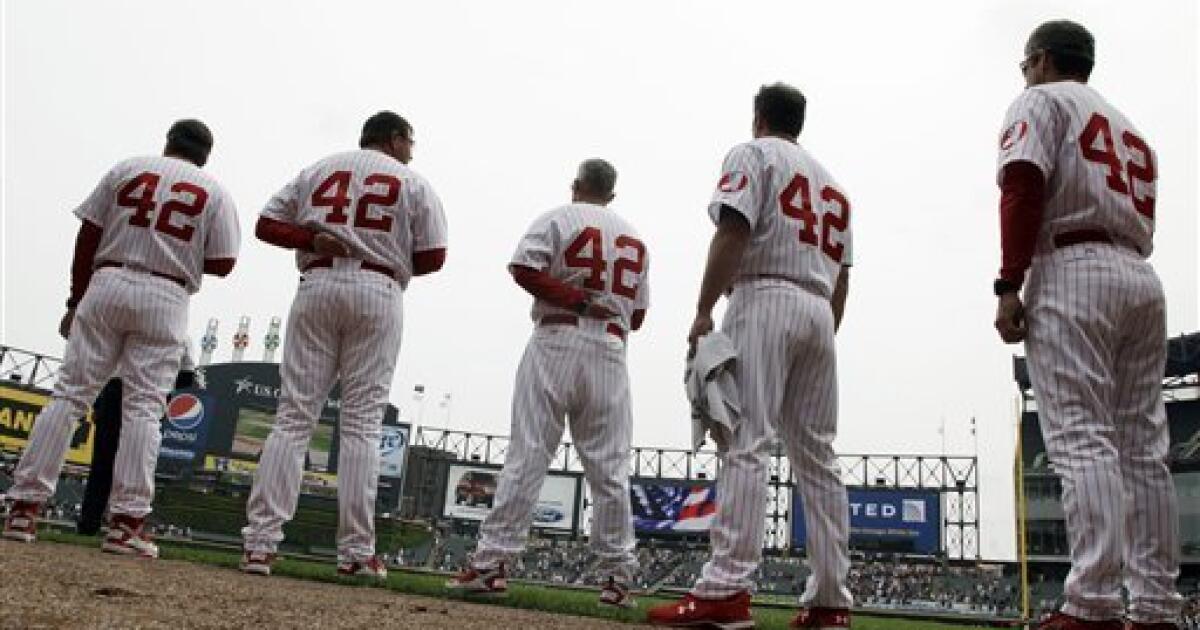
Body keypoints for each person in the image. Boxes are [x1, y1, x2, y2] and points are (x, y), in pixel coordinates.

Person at [991, 20, 1181, 630]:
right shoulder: (1132, 130)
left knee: (1080, 437)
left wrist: (1008, 282)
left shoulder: (1040, 100)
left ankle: (1092, 603)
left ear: (1042, 60)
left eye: (1025, 64)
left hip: (1074, 266)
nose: (1023, 74)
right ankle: (1154, 609)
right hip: (1141, 277)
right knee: (1144, 452)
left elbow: (1022, 186)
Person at [647, 83, 853, 629]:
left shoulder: (753, 152)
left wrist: (702, 309)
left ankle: (725, 589)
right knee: (819, 457)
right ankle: (831, 601)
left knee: (745, 441)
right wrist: (823, 333)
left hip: (763, 296)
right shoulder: (833, 184)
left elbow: (733, 229)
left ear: (759, 117)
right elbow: (844, 278)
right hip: (818, 310)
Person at [2, 119, 241, 558]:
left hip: (107, 280)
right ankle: (127, 523)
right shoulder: (215, 190)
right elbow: (224, 261)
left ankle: (23, 507)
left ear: (168, 142)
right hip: (167, 292)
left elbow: (88, 236)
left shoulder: (127, 169)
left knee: (69, 396)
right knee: (144, 409)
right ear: (206, 153)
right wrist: (178, 251)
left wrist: (75, 299)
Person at [240, 111, 448, 580]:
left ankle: (259, 545)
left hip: (317, 282)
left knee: (294, 417)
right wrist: (386, 249)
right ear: (394, 139)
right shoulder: (412, 181)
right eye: (410, 140)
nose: (413, 148)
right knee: (361, 424)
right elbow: (433, 258)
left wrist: (311, 236)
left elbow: (267, 225)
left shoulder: (320, 167)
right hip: (378, 290)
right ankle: (356, 552)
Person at [445, 159, 649, 609]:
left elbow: (523, 268)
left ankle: (492, 565)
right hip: (611, 351)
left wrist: (575, 297)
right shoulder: (634, 236)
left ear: (576, 186)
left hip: (557, 338)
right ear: (612, 194)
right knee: (611, 468)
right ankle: (618, 578)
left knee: (529, 453)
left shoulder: (559, 216)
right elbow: (638, 314)